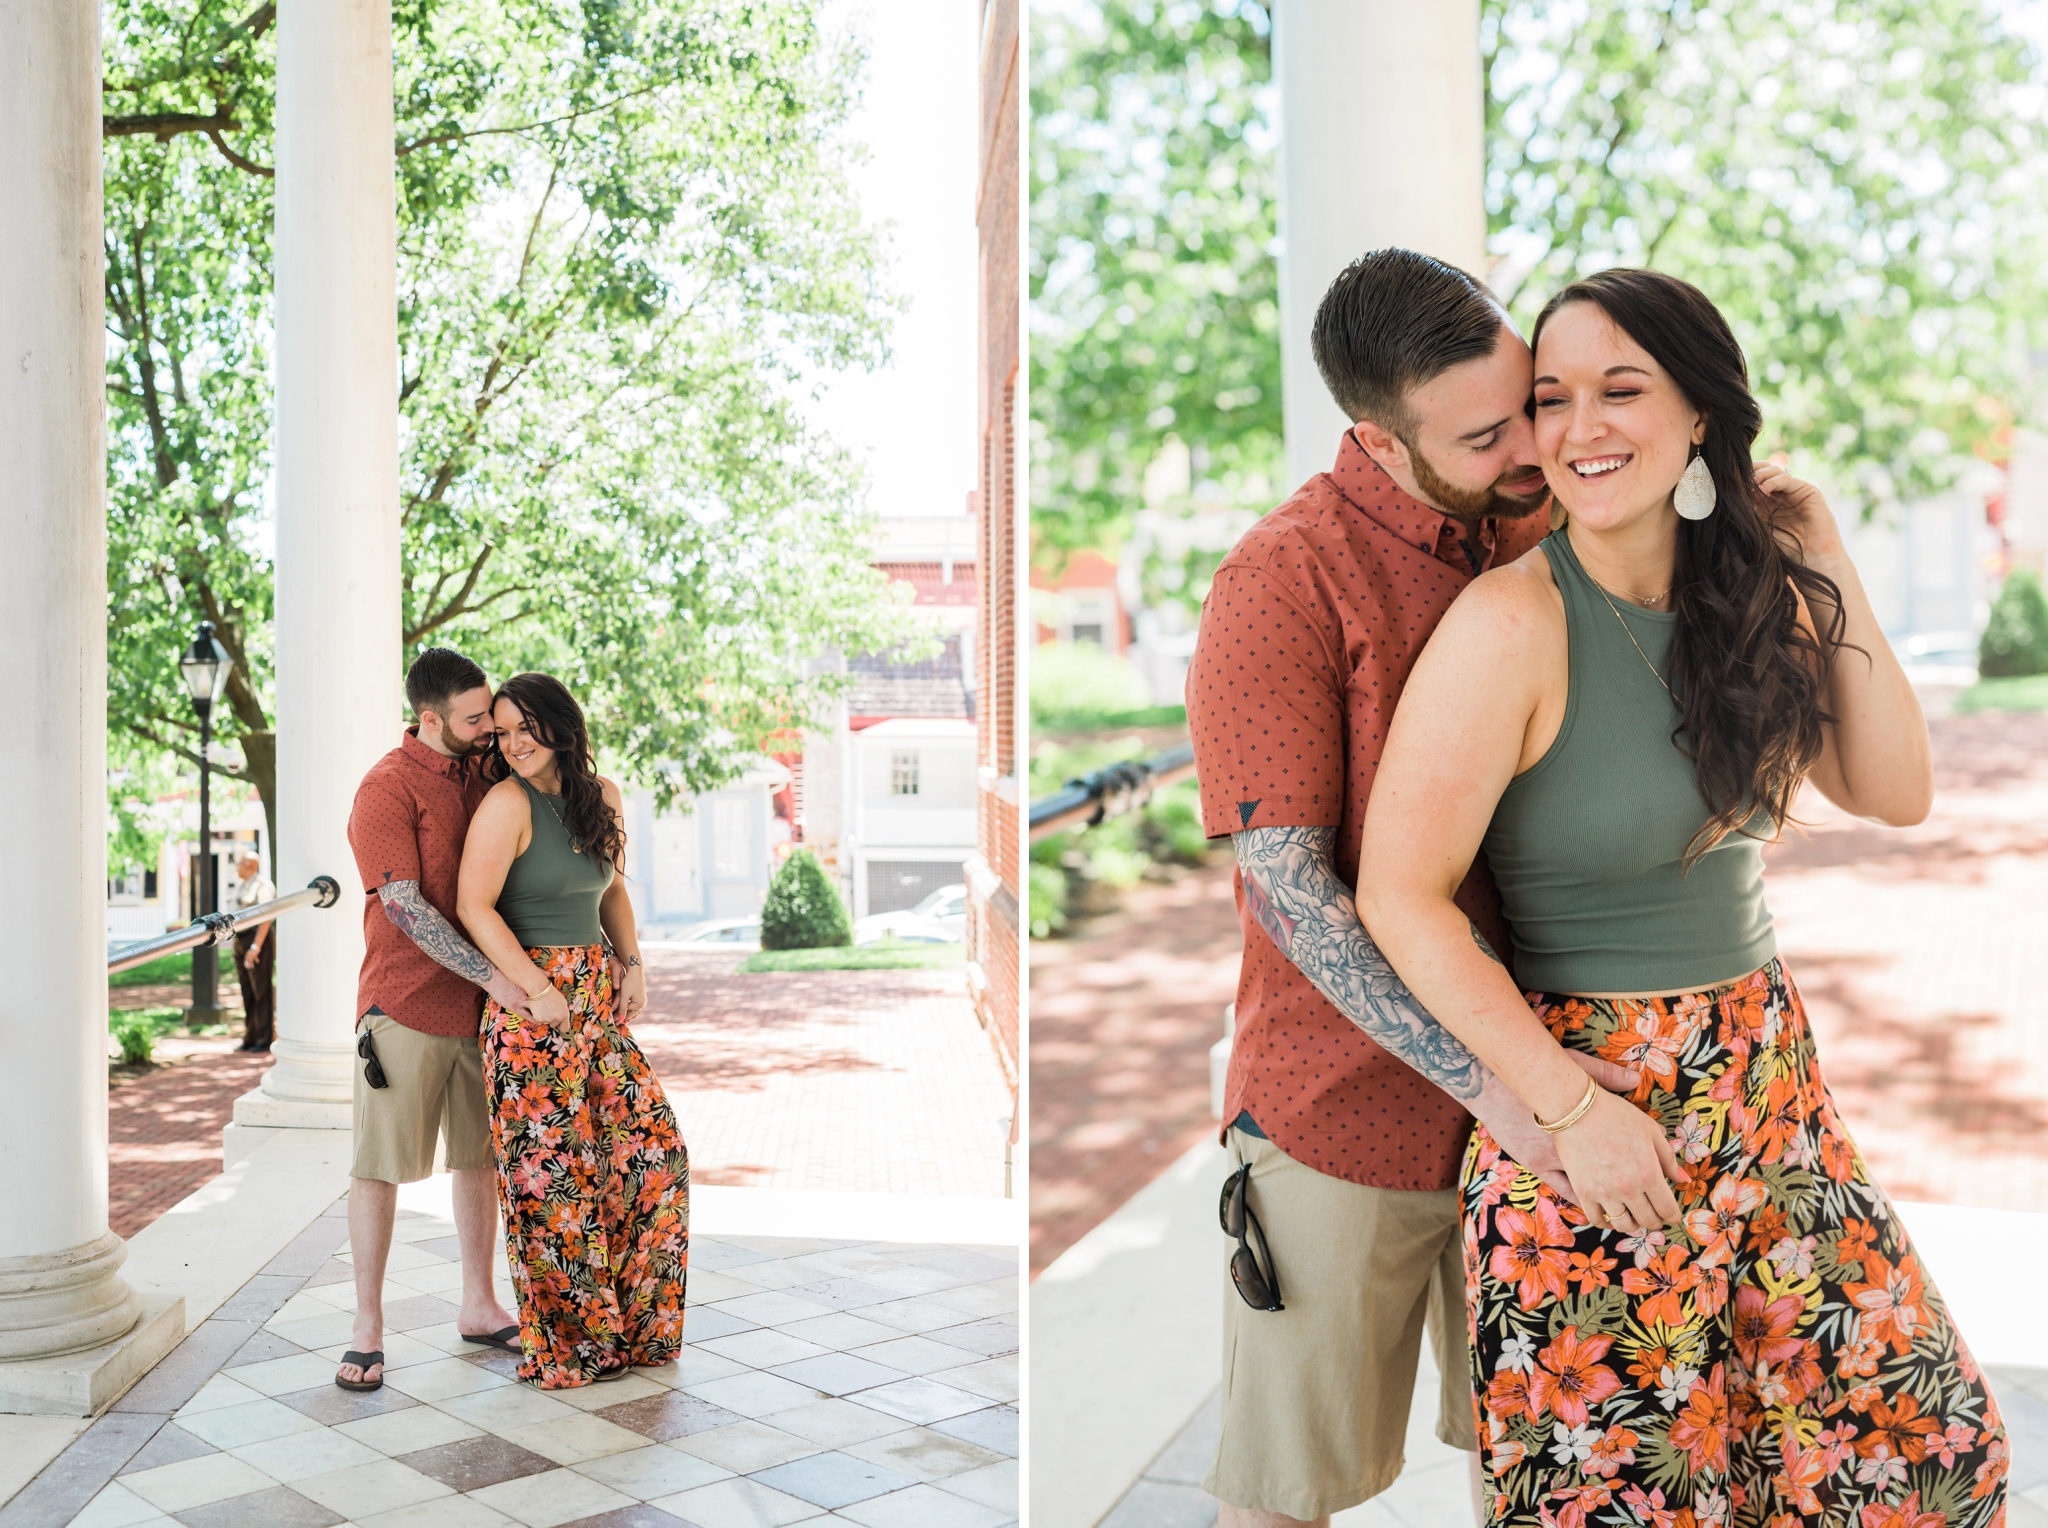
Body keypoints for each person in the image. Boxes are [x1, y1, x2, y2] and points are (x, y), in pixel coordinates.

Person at [1357, 268, 2006, 1525]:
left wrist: (1815, 551)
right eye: (1551, 398)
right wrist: (1557, 1107)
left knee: (1918, 1464)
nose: (1580, 427)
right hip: (1597, 1124)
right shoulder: (1511, 623)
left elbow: (1893, 788)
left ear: (1698, 413)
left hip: (1770, 1099)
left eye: (1621, 390)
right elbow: (1399, 893)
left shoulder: (1740, 598)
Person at [1184, 249, 1637, 1528]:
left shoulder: (1542, 529)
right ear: (1374, 439)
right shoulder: (1279, 581)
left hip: (1562, 1088)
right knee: (1285, 1487)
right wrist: (1498, 1086)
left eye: (1528, 407)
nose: (1531, 450)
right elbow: (1289, 891)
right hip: (1344, 1116)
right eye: (1489, 432)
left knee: (1555, 1468)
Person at [456, 672, 689, 1389]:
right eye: (501, 731)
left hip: (597, 1001)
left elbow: (612, 888)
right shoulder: (505, 803)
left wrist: (634, 963)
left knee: (652, 1158)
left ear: (561, 725)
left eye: (525, 726)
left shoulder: (601, 797)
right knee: (554, 1186)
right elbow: (474, 906)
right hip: (532, 1013)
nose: (513, 742)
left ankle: (634, 1333)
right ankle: (574, 1347)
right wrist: (536, 987)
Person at [338, 648, 540, 1391]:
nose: (489, 726)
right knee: (379, 1168)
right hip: (406, 1008)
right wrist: (497, 976)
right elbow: (404, 906)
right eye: (474, 717)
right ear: (431, 719)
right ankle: (366, 1325)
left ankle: (480, 1304)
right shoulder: (384, 790)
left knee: (478, 1160)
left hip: (485, 1016)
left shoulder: (485, 772)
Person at [230, 851, 276, 1052]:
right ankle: (250, 1035)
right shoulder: (243, 886)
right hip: (241, 941)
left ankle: (265, 1038)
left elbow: (266, 916)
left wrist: (256, 946)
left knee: (261, 990)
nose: (237, 867)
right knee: (247, 991)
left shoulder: (262, 885)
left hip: (257, 941)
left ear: (249, 864)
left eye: (239, 863)